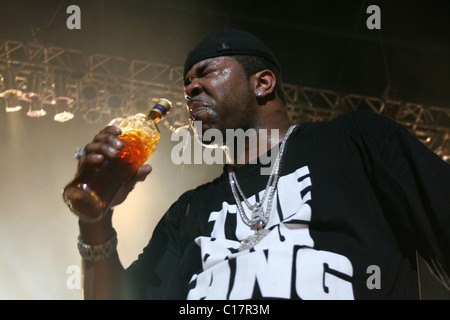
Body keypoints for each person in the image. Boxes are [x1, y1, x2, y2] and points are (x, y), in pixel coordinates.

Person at [73, 28, 450, 300]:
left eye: (206, 72)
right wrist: (95, 220)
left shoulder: (353, 144)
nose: (189, 89)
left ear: (263, 83)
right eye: (187, 81)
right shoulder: (188, 211)